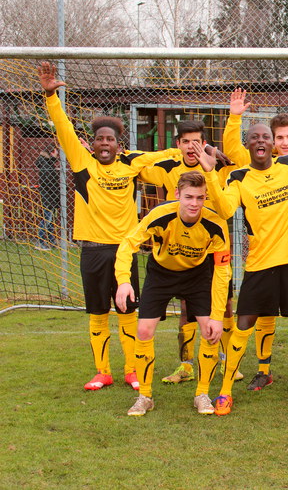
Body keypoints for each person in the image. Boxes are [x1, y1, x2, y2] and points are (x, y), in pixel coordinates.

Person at [38, 61, 181, 393]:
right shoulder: (82, 163)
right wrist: (50, 98)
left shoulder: (130, 164)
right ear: (93, 143)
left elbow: (163, 155)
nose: (104, 143)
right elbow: (64, 128)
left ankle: (131, 370)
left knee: (127, 311)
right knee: (98, 312)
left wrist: (192, 149)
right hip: (92, 251)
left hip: (124, 252)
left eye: (110, 139)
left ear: (119, 144)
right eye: (100, 139)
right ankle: (102, 372)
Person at [204, 91, 288, 417]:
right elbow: (224, 208)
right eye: (255, 137)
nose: (261, 141)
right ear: (248, 145)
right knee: (244, 324)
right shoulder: (239, 177)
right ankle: (225, 390)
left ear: (273, 144)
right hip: (260, 264)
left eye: (266, 137)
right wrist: (209, 173)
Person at [116, 170, 231, 416]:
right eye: (189, 197)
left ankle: (202, 394)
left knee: (210, 332)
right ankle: (144, 396)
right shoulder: (160, 215)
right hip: (161, 274)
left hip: (197, 275)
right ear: (177, 194)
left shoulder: (216, 224)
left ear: (206, 197)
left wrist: (217, 315)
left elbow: (222, 272)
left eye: (200, 198)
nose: (194, 203)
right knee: (143, 331)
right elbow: (128, 244)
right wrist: (124, 281)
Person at [138, 120, 239, 386]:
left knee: (224, 306)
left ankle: (225, 359)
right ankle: (186, 365)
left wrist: (214, 157)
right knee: (185, 308)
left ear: (204, 143)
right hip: (182, 248)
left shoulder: (219, 166)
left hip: (213, 243)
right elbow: (134, 168)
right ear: (178, 145)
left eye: (196, 142)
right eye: (185, 142)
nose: (191, 147)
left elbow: (238, 173)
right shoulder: (168, 168)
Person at [34, 144, 59, 251]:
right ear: (52, 152)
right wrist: (60, 190)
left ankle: (51, 241)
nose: (57, 154)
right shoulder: (46, 166)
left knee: (50, 220)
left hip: (50, 197)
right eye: (56, 152)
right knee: (46, 220)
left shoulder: (48, 164)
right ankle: (40, 242)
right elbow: (50, 184)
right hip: (49, 197)